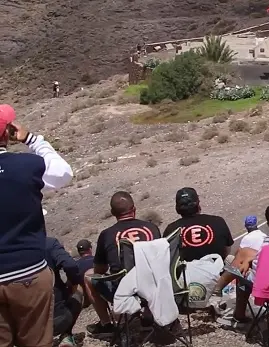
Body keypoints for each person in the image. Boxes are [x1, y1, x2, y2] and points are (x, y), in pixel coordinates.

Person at [0, 104, 73, 347]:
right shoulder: (27, 166)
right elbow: (63, 173)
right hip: (27, 272)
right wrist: (33, 139)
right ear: (7, 132)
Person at [84, 191, 162, 336]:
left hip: (125, 291)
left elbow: (100, 270)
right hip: (156, 287)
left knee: (88, 275)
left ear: (113, 212)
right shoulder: (152, 228)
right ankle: (149, 314)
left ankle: (106, 324)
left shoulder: (107, 234)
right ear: (134, 208)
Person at [213, 204, 269, 328]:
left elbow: (263, 267)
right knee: (246, 255)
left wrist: (249, 262)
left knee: (242, 273)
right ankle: (216, 291)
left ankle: (238, 315)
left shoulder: (268, 244)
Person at [165, 188, 234, 261]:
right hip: (217, 270)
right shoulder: (218, 221)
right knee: (231, 259)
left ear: (177, 209)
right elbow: (227, 249)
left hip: (186, 271)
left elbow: (168, 258)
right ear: (198, 204)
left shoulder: (171, 229)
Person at [46, 237, 84, 347]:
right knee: (78, 288)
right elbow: (70, 265)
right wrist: (73, 281)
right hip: (58, 320)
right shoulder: (49, 243)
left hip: (22, 327)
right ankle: (66, 335)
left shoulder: (8, 250)